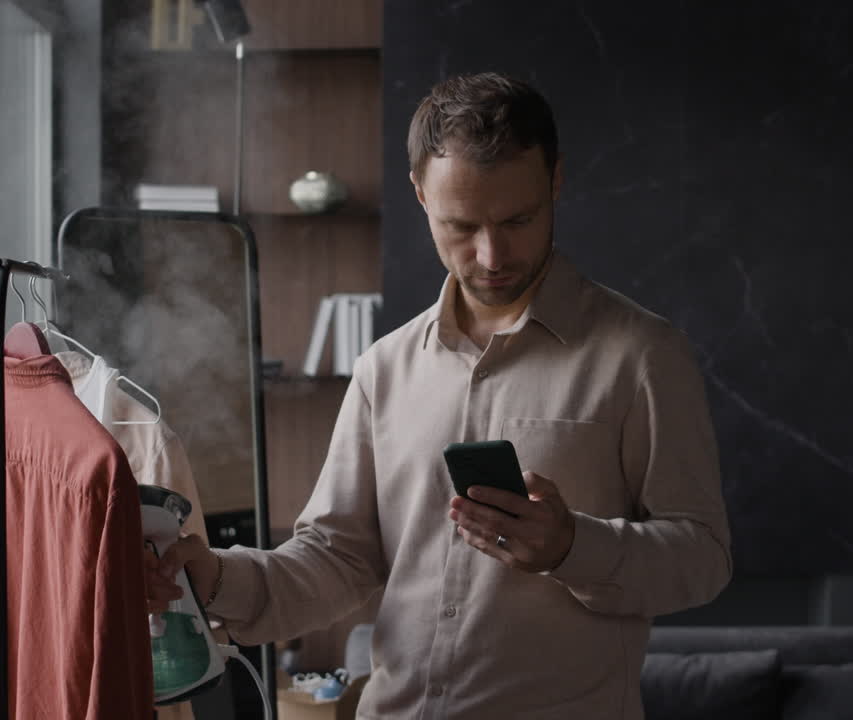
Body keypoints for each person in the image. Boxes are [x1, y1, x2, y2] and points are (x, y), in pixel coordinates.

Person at [148, 71, 732, 719]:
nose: (491, 254)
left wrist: (572, 547)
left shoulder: (644, 355)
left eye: (518, 219)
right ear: (420, 196)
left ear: (556, 181)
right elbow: (336, 559)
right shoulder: (383, 369)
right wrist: (219, 580)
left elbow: (702, 557)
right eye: (461, 225)